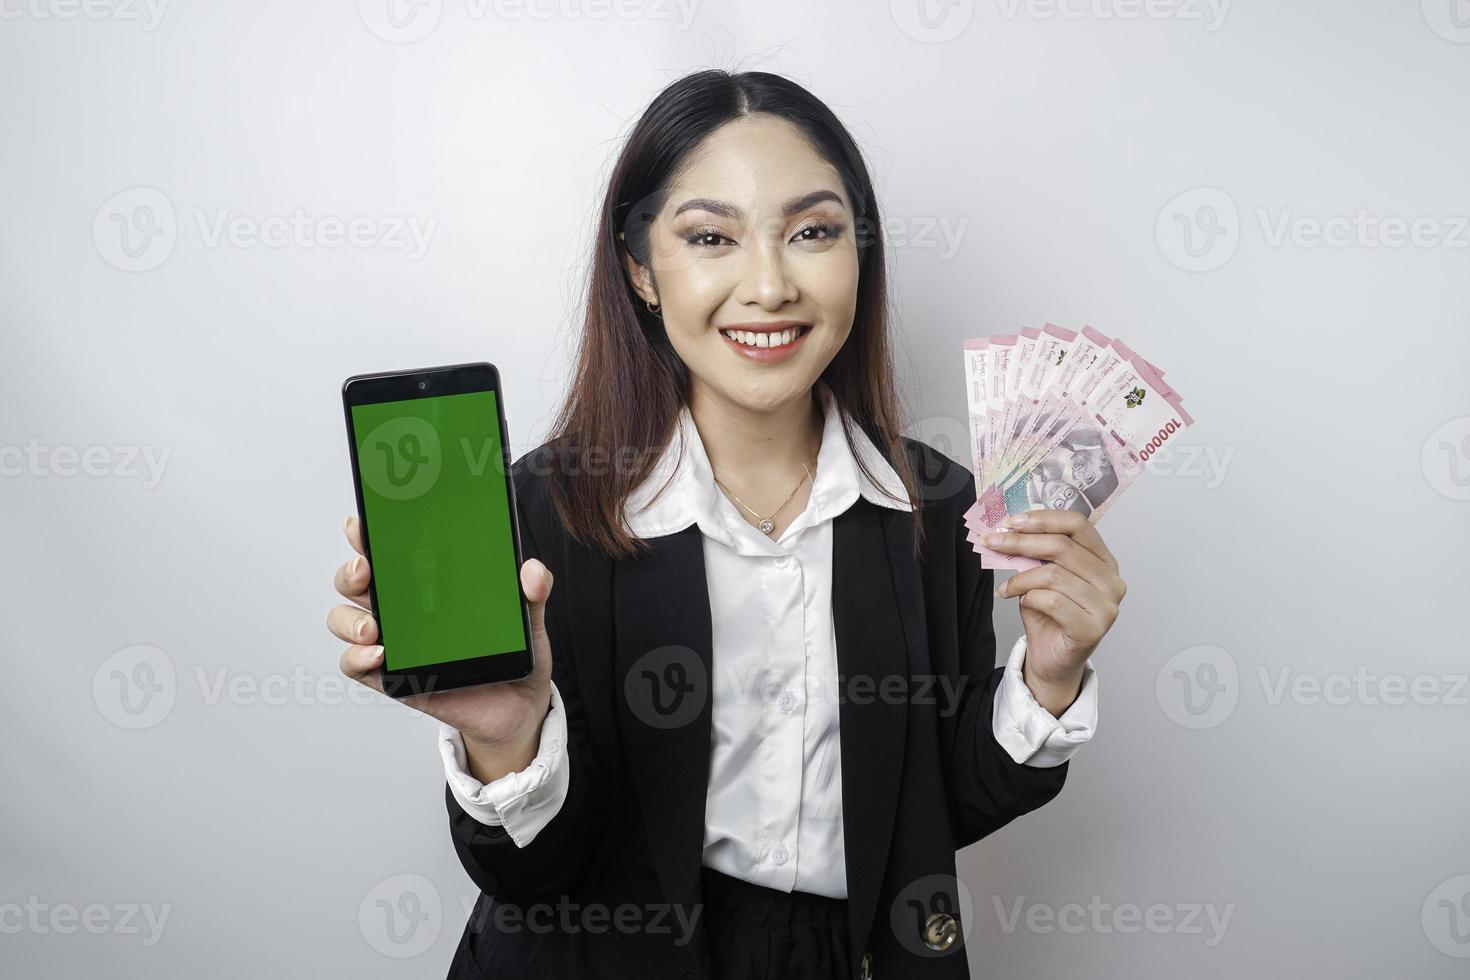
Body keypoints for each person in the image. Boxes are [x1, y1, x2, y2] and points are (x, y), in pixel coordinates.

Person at [326, 68, 1126, 980]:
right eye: (711, 236)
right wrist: (506, 740)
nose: (770, 284)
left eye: (813, 232)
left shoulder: (935, 505)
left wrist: (1048, 678)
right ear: (640, 270)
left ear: (860, 255)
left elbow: (935, 807)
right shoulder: (542, 512)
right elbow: (536, 879)